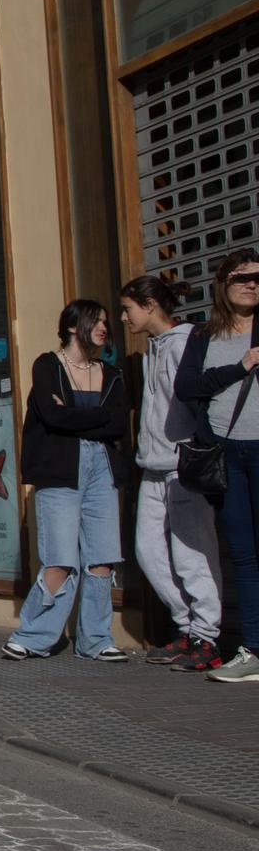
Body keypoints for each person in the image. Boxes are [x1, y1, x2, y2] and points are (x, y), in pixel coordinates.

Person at [3, 300, 131, 665]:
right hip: (60, 468)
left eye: (107, 322)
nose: (105, 328)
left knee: (103, 558)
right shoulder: (48, 365)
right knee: (60, 558)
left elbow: (118, 424)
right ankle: (33, 635)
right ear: (75, 326)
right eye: (98, 321)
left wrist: (75, 415)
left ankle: (95, 639)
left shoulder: (112, 374)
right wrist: (96, 417)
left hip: (102, 467)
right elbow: (52, 415)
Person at [121, 275, 223, 671]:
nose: (124, 317)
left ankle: (206, 637)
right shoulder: (154, 347)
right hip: (152, 465)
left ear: (149, 305)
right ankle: (187, 626)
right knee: (147, 551)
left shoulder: (184, 343)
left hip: (182, 466)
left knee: (192, 553)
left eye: (128, 308)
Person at [177, 249, 259, 684]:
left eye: (257, 278)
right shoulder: (204, 335)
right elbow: (188, 387)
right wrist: (240, 366)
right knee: (243, 556)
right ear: (223, 284)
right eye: (242, 277)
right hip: (226, 454)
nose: (251, 284)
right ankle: (253, 649)